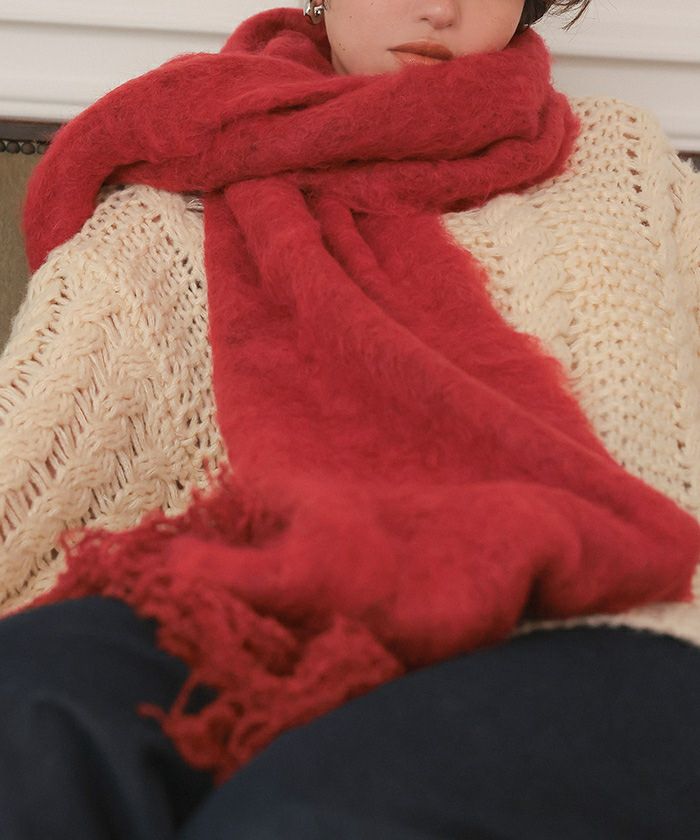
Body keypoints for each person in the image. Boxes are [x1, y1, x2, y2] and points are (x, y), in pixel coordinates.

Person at [1, 1, 699, 837]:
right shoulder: (174, 181)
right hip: (271, 599)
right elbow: (29, 459)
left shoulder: (621, 168)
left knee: (301, 818)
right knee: (24, 707)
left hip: (605, 618)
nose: (439, 6)